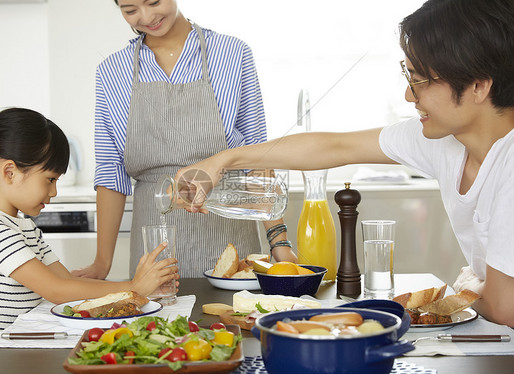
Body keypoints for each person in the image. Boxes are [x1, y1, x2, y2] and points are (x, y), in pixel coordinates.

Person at [175, 0, 514, 326]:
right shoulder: (445, 141)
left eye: (420, 80)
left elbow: (503, 306)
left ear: (478, 86)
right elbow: (334, 146)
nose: (409, 96)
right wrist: (225, 159)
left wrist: (469, 285)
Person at [72, 0, 297, 281]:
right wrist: (101, 263)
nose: (147, 16)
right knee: (157, 323)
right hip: (153, 243)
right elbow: (110, 170)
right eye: (130, 10)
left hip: (229, 235)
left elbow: (257, 155)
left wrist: (279, 242)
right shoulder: (111, 71)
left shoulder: (232, 53)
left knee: (231, 320)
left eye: (153, 2)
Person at [0, 108, 178, 369]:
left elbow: (66, 281)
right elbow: (56, 291)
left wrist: (138, 292)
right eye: (50, 179)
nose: (55, 191)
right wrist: (135, 287)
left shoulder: (23, 226)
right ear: (9, 172)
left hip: (9, 348)